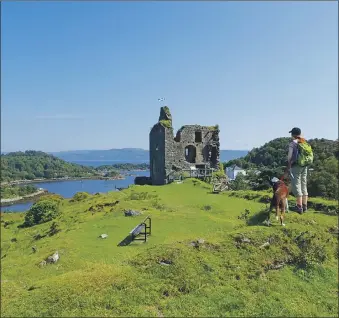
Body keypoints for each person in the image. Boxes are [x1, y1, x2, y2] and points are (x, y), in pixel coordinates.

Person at [286, 127, 313, 214]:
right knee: (303, 184)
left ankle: (299, 207)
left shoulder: (293, 143)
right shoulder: (304, 142)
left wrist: (289, 163)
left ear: (293, 134)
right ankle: (304, 206)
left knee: (296, 184)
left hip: (296, 166)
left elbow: (289, 157)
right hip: (304, 165)